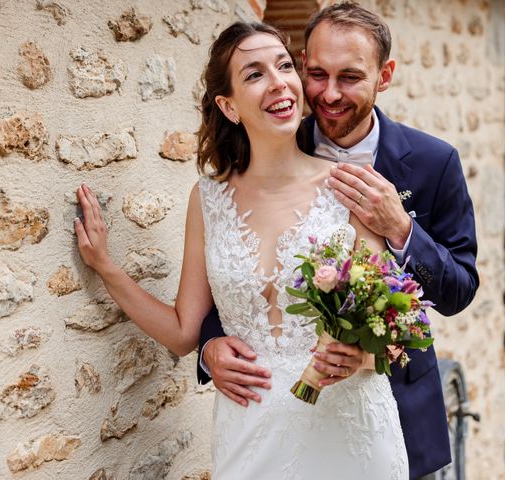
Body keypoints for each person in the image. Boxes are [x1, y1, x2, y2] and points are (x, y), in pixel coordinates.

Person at [75, 20, 408, 479]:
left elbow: (388, 324)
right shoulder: (207, 199)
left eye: (285, 66)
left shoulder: (350, 188)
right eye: (254, 74)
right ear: (228, 106)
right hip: (248, 430)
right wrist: (106, 268)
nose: (278, 83)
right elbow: (182, 332)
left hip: (348, 431)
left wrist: (362, 356)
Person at [197, 3, 479, 479]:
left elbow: (458, 290)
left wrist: (401, 229)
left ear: (384, 75)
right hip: (276, 423)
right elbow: (238, 257)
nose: (328, 94)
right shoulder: (276, 137)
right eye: (317, 73)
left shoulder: (434, 162)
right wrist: (208, 346)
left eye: (349, 77)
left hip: (396, 417)